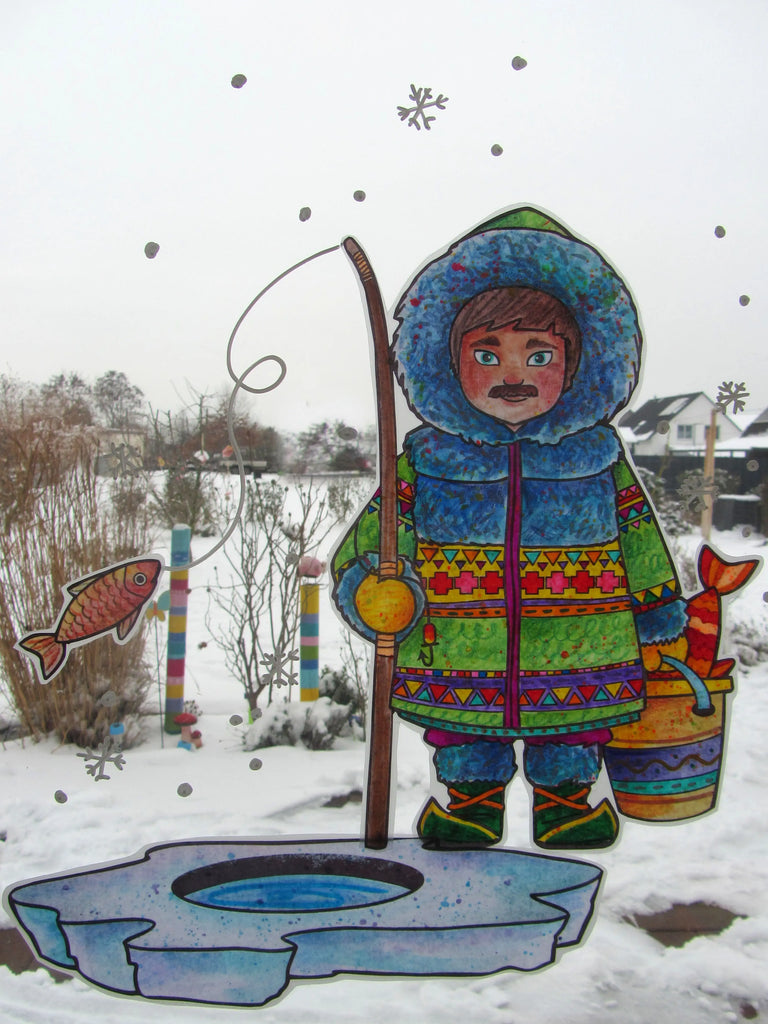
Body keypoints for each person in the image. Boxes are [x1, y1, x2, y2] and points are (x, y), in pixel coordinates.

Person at [332, 206, 688, 850]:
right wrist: (372, 587)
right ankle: (470, 802)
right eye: (487, 354)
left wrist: (656, 611)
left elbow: (639, 538)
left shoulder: (597, 461)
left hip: (582, 647)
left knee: (570, 731)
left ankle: (566, 801)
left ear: (579, 365)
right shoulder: (427, 463)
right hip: (456, 649)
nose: (513, 376)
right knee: (465, 735)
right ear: (446, 363)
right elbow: (375, 540)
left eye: (540, 354)